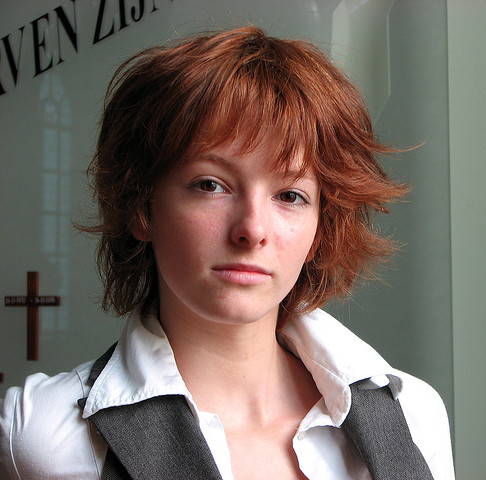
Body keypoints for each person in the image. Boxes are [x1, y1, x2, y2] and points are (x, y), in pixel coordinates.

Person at [0, 26, 454, 479]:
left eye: (290, 196)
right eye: (210, 185)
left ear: (320, 229)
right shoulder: (47, 438)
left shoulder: (414, 416)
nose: (252, 230)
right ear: (141, 207)